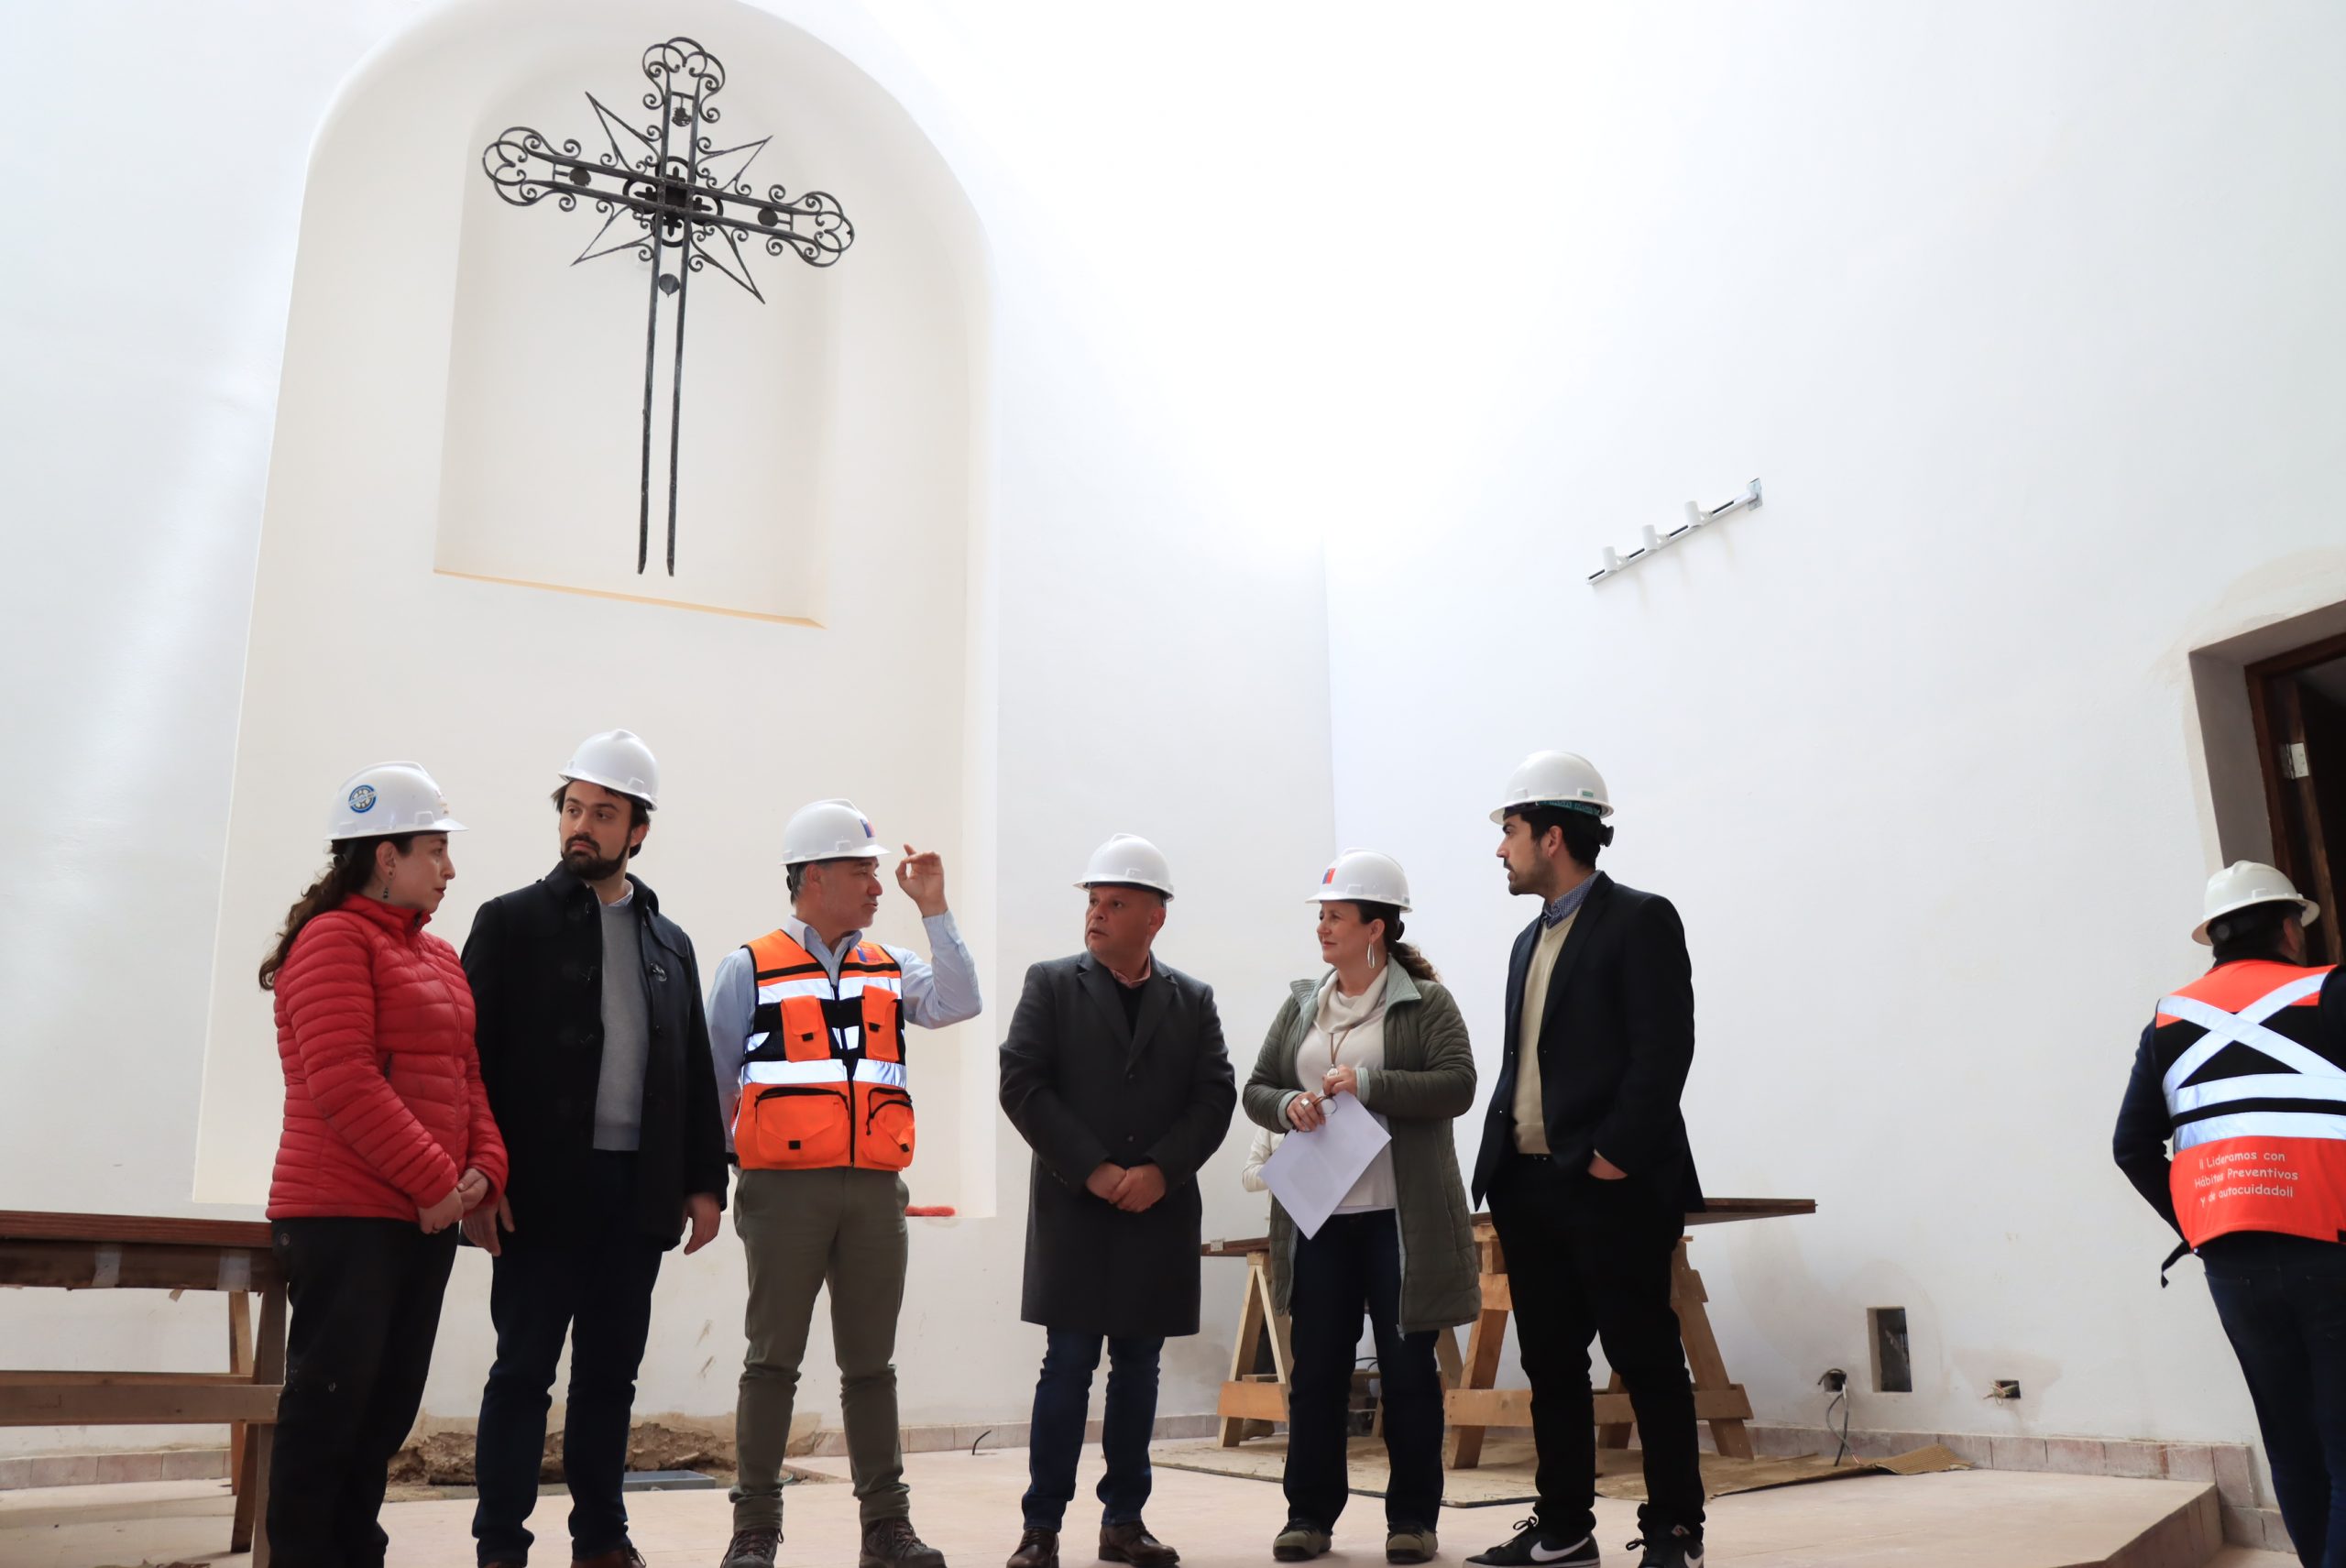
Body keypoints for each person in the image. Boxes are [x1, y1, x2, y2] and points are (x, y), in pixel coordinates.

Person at [462, 730, 730, 1568]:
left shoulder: (670, 941)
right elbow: (467, 1062)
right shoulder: (509, 923)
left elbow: (691, 1069)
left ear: (637, 830)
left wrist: (704, 1181)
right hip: (538, 1192)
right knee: (522, 1373)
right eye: (573, 809)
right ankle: (500, 1545)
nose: (582, 825)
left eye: (604, 813)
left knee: (611, 1377)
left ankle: (602, 1539)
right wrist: (481, 1177)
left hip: (636, 1193)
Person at [707, 798, 983, 1568]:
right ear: (814, 877)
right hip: (780, 1192)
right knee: (772, 1362)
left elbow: (961, 1000)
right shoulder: (749, 965)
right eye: (862, 870)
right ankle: (754, 1529)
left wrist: (936, 908)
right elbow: (714, 1078)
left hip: (874, 1192)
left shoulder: (891, 965)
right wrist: (721, 1175)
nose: (877, 885)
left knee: (871, 1366)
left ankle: (885, 1528)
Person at [260, 762, 507, 1568]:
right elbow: (344, 1081)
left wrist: (484, 1168)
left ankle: (356, 1553)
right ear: (385, 856)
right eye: (435, 849)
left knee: (384, 1412)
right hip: (343, 1218)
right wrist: (437, 1182)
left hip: (418, 1219)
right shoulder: (332, 940)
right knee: (329, 1409)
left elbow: (468, 1076)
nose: (450, 868)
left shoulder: (438, 956)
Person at [1466, 752, 1705, 1568]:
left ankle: (1675, 1529)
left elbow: (1663, 1051)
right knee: (1551, 1363)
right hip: (1529, 1184)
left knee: (1644, 1356)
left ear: (1552, 834)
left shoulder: (1640, 919)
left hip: (1611, 1183)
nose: (1500, 847)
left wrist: (1612, 1156)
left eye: (1510, 829)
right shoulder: (1526, 941)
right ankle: (1564, 1527)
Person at [998, 835, 1237, 1568]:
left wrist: (1160, 1170)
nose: (1096, 914)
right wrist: (1094, 1168)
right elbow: (1022, 1083)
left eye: (1115, 902)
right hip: (1076, 1209)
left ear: (1154, 917)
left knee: (1139, 1367)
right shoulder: (1050, 984)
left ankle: (1124, 1522)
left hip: (1156, 1213)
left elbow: (1215, 1095)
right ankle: (1041, 1526)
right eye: (1093, 901)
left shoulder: (1192, 999)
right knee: (1067, 1363)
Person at [1242, 849, 1479, 1567]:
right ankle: (1308, 1516)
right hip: (1319, 1217)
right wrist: (1290, 1103)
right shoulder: (1301, 1005)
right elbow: (1257, 1087)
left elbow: (1458, 1084)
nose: (1323, 927)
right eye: (1321, 915)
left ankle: (1412, 1520)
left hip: (1400, 1220)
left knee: (1408, 1372)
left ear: (1376, 926)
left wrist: (1372, 1084)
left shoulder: (1426, 1003)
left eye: (1336, 916)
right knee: (1316, 1370)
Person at [2114, 861, 2346, 1566]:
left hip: (2233, 1260)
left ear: (2214, 935)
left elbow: (2131, 1146)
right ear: (2288, 926)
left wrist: (2200, 1228)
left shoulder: (2168, 1020)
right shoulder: (2331, 991)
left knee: (2294, 1446)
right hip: (2332, 1246)